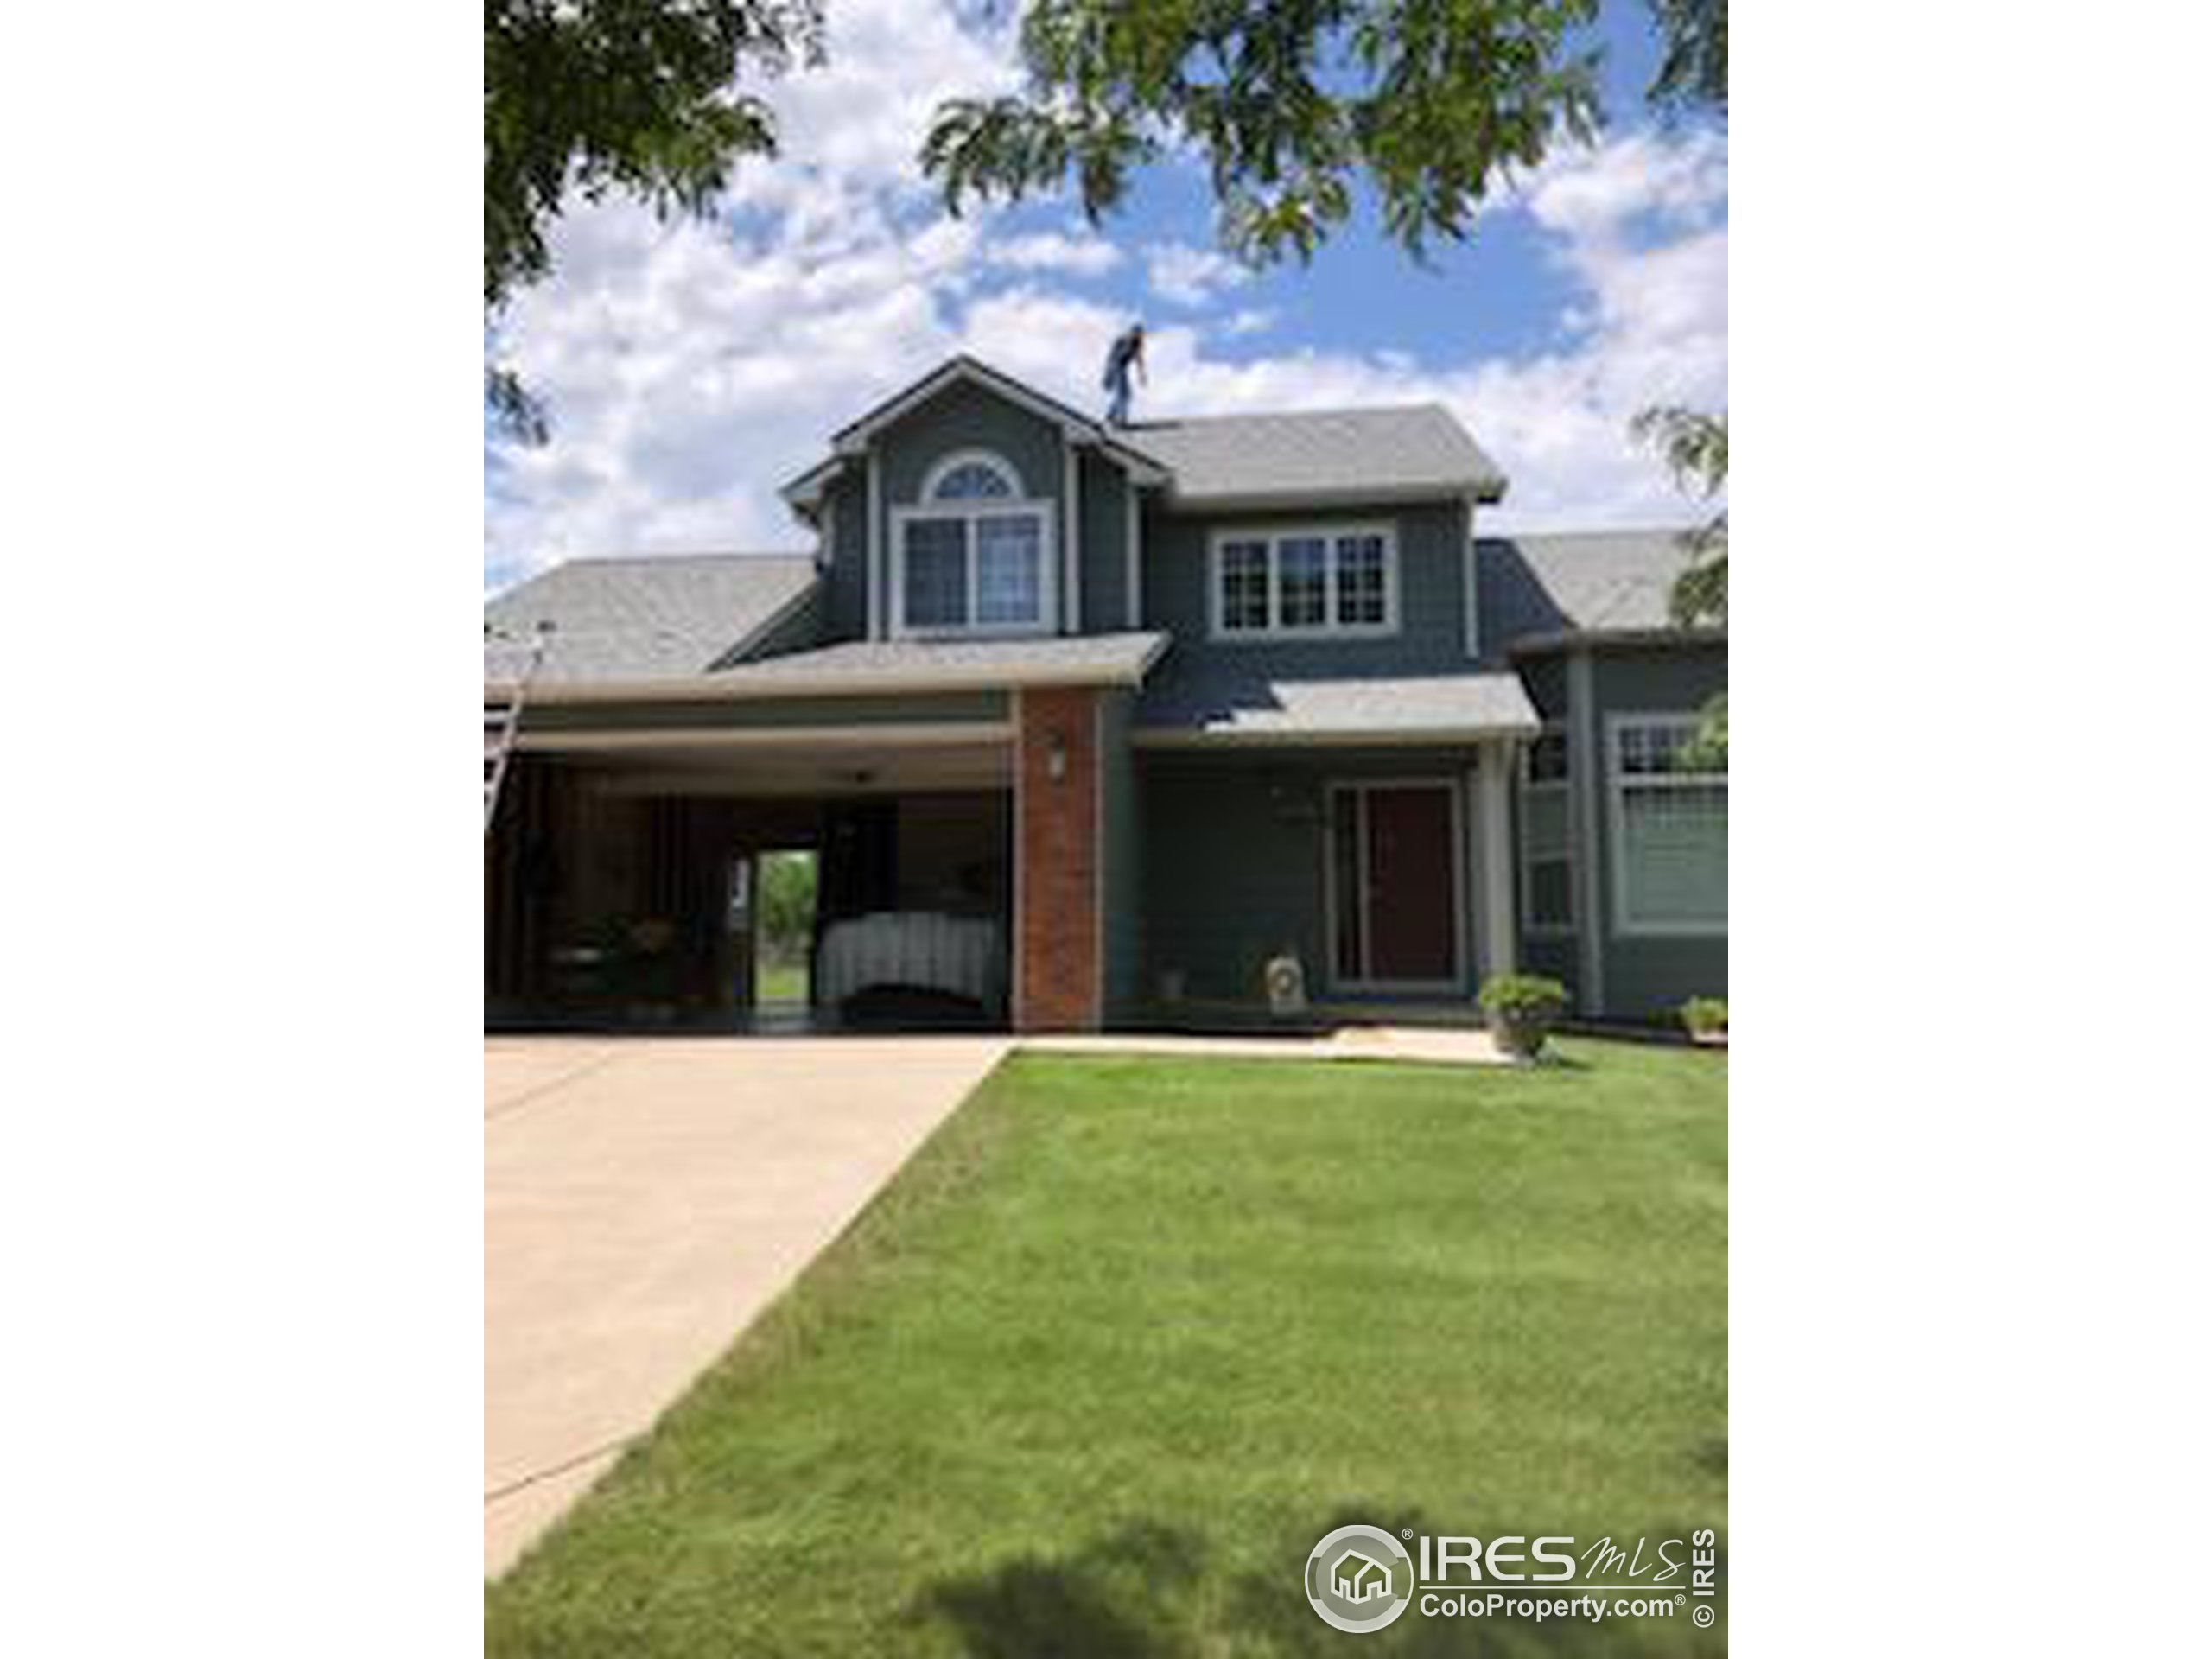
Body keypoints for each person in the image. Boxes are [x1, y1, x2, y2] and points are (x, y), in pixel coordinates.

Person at [1102, 321, 1147, 426]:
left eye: (1140, 335)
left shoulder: (1137, 344)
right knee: (1122, 394)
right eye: (1137, 334)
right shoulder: (1123, 340)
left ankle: (1111, 416)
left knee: (1125, 394)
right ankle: (1121, 419)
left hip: (1122, 368)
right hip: (1115, 367)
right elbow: (1111, 358)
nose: (1139, 336)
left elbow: (1139, 359)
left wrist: (1142, 375)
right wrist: (1108, 376)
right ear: (1132, 333)